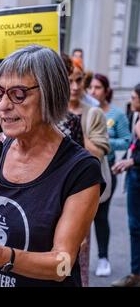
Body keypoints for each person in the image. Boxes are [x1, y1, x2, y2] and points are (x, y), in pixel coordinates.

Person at [0, 45, 105, 287]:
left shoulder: (81, 169)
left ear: (50, 94)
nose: (3, 105)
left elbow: (63, 264)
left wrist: (1, 256)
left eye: (18, 94)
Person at [68, 60, 109, 287]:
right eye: (69, 80)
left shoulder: (93, 113)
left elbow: (98, 154)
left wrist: (75, 126)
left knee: (79, 257)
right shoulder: (49, 111)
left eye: (79, 80)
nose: (75, 87)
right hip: (53, 193)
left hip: (82, 192)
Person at [89, 74, 131, 277]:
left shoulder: (117, 114)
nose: (93, 91)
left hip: (106, 169)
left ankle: (103, 258)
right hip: (82, 170)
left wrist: (102, 143)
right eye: (92, 87)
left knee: (100, 216)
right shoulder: (87, 110)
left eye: (98, 87)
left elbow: (126, 140)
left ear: (106, 90)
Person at [111, 84, 140, 287]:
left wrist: (132, 161)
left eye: (134, 97)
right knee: (134, 226)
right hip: (134, 177)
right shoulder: (133, 115)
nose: (131, 100)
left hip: (136, 172)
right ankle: (135, 273)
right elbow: (132, 145)